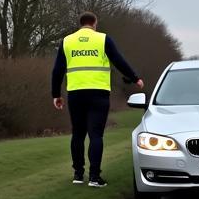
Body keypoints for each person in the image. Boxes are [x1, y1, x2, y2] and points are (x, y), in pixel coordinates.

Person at [51, 12, 143, 188]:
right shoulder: (103, 39)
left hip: (75, 93)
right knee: (95, 135)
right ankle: (94, 177)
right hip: (98, 94)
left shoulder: (67, 41)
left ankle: (78, 175)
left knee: (77, 134)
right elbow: (118, 60)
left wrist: (56, 95)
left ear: (80, 24)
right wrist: (135, 77)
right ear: (94, 23)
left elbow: (57, 71)